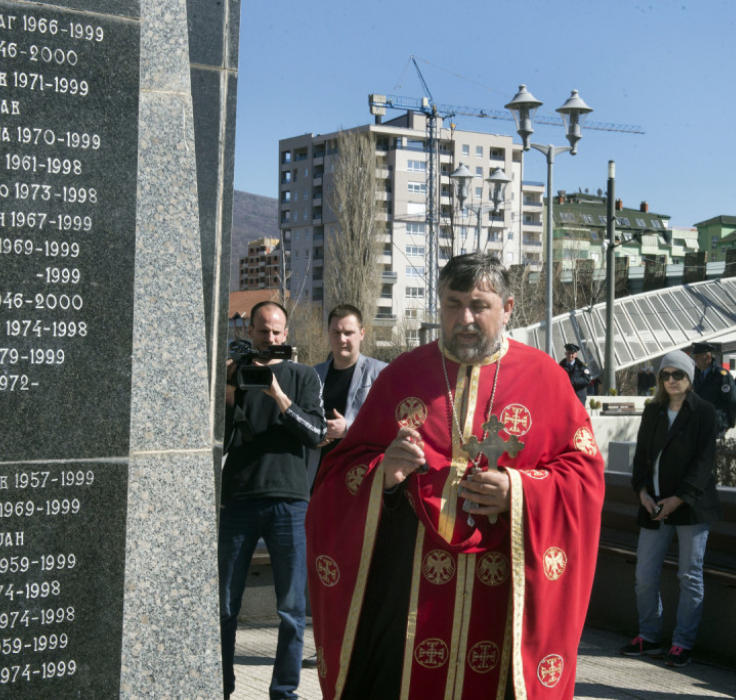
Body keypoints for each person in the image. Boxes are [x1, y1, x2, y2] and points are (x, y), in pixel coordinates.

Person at [306, 253, 605, 699]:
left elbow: (584, 475)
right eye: (452, 303)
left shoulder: (545, 378)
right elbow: (341, 471)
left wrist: (518, 490)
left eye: (478, 305)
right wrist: (383, 474)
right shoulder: (403, 375)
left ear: (507, 307)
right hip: (411, 588)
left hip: (503, 584)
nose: (464, 318)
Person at [219, 301, 327, 700]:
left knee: (291, 610)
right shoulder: (234, 378)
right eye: (263, 331)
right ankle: (223, 687)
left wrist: (278, 395)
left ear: (286, 334)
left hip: (290, 502)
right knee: (226, 607)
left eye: (277, 332)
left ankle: (284, 692)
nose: (270, 338)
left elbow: (316, 432)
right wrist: (228, 388)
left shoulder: (303, 376)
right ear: (250, 332)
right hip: (238, 500)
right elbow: (218, 436)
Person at [621, 350, 721, 669]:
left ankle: (682, 643)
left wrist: (677, 500)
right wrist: (642, 493)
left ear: (690, 377)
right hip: (654, 504)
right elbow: (641, 460)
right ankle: (649, 637)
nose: (671, 380)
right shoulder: (653, 411)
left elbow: (704, 463)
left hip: (690, 506)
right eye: (666, 375)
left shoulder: (704, 411)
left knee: (689, 575)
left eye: (678, 374)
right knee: (644, 575)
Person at [307, 304, 388, 491]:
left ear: (362, 333)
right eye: (336, 333)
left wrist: (348, 428)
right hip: (317, 477)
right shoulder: (313, 375)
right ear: (328, 333)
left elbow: (389, 425)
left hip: (359, 477)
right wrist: (312, 435)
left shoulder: (381, 373)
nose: (342, 339)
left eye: (348, 333)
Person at [691, 342, 736, 438]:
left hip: (716, 425)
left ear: (708, 357)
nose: (695, 359)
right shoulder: (697, 375)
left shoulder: (721, 376)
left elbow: (734, 402)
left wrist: (729, 423)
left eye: (697, 356)